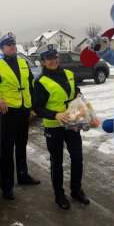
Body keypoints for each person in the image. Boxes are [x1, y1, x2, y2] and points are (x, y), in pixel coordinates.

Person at [0, 32, 40, 200]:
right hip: (8, 113)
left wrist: (32, 108)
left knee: (21, 146)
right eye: (8, 45)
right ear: (3, 49)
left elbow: (30, 86)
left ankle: (23, 175)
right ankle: (6, 185)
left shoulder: (23, 62)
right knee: (6, 150)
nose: (12, 46)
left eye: (13, 44)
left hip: (24, 112)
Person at [33, 44, 90, 210]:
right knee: (57, 162)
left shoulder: (69, 74)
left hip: (72, 123)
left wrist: (78, 94)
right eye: (49, 59)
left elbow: (73, 90)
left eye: (55, 57)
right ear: (43, 62)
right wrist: (55, 115)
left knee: (77, 157)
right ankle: (59, 194)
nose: (54, 61)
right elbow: (37, 107)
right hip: (54, 126)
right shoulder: (41, 81)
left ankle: (76, 191)